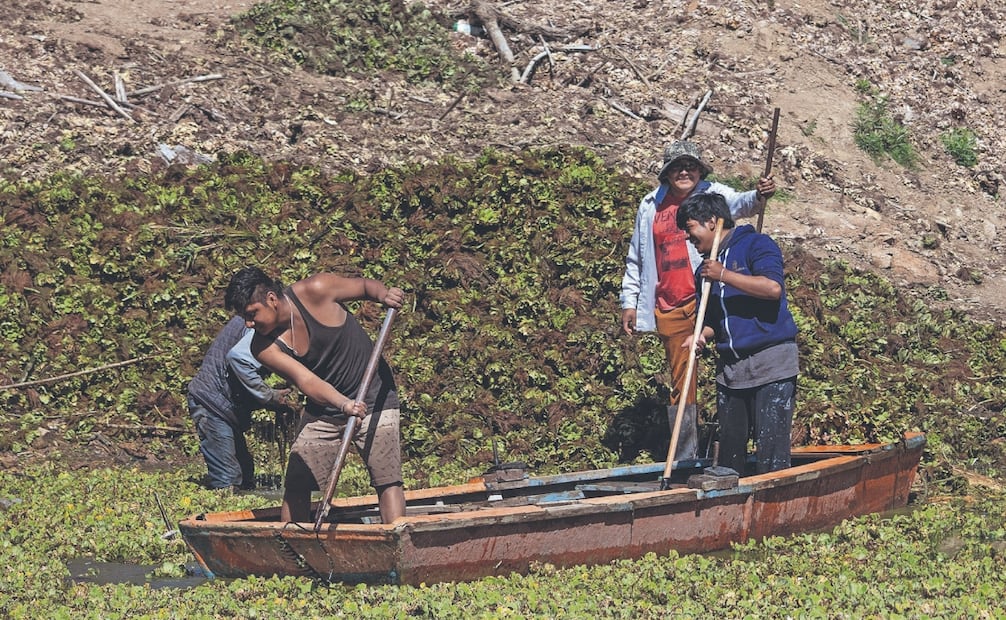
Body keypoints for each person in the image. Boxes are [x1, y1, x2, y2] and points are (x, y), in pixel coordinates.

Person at [620, 140, 776, 460]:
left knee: (731, 367)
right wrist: (630, 301)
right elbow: (637, 257)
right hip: (671, 304)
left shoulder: (713, 195)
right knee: (683, 380)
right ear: (667, 173)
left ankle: (736, 444)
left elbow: (743, 203)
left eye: (690, 166)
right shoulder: (650, 205)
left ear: (700, 170)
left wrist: (759, 195)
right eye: (677, 167)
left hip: (711, 295)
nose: (684, 172)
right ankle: (685, 454)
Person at [224, 267, 406, 524]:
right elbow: (307, 381)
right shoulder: (261, 347)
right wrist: (343, 403)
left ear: (272, 300)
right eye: (244, 317)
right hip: (325, 408)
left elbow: (365, 287)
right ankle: (294, 547)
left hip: (374, 396)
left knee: (387, 478)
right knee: (297, 483)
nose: (249, 324)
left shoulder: (317, 289)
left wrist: (384, 295)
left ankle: (397, 545)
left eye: (252, 314)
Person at [676, 192, 799, 475]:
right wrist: (702, 335)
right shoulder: (705, 270)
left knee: (770, 450)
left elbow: (772, 289)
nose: (687, 237)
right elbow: (712, 320)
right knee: (730, 456)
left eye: (691, 227)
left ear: (711, 222)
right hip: (732, 370)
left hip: (772, 363)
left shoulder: (756, 244)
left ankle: (773, 505)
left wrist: (724, 275)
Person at [187, 316, 297, 491]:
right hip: (211, 402)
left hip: (225, 403)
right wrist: (271, 397)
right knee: (227, 477)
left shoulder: (262, 320)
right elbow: (239, 360)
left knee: (245, 473)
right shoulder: (262, 325)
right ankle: (222, 507)